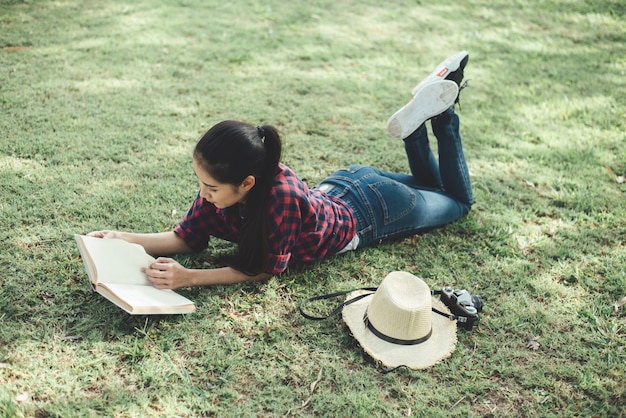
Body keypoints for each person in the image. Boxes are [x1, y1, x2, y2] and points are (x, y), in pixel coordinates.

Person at [89, 51, 473, 290]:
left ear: (247, 184)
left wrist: (189, 278)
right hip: (347, 185)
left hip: (373, 213)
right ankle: (424, 116)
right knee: (432, 186)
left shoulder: (279, 199)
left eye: (210, 188)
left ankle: (444, 116)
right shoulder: (227, 181)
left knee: (456, 201)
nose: (203, 194)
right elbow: (186, 238)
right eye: (201, 184)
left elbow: (264, 269)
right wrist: (122, 238)